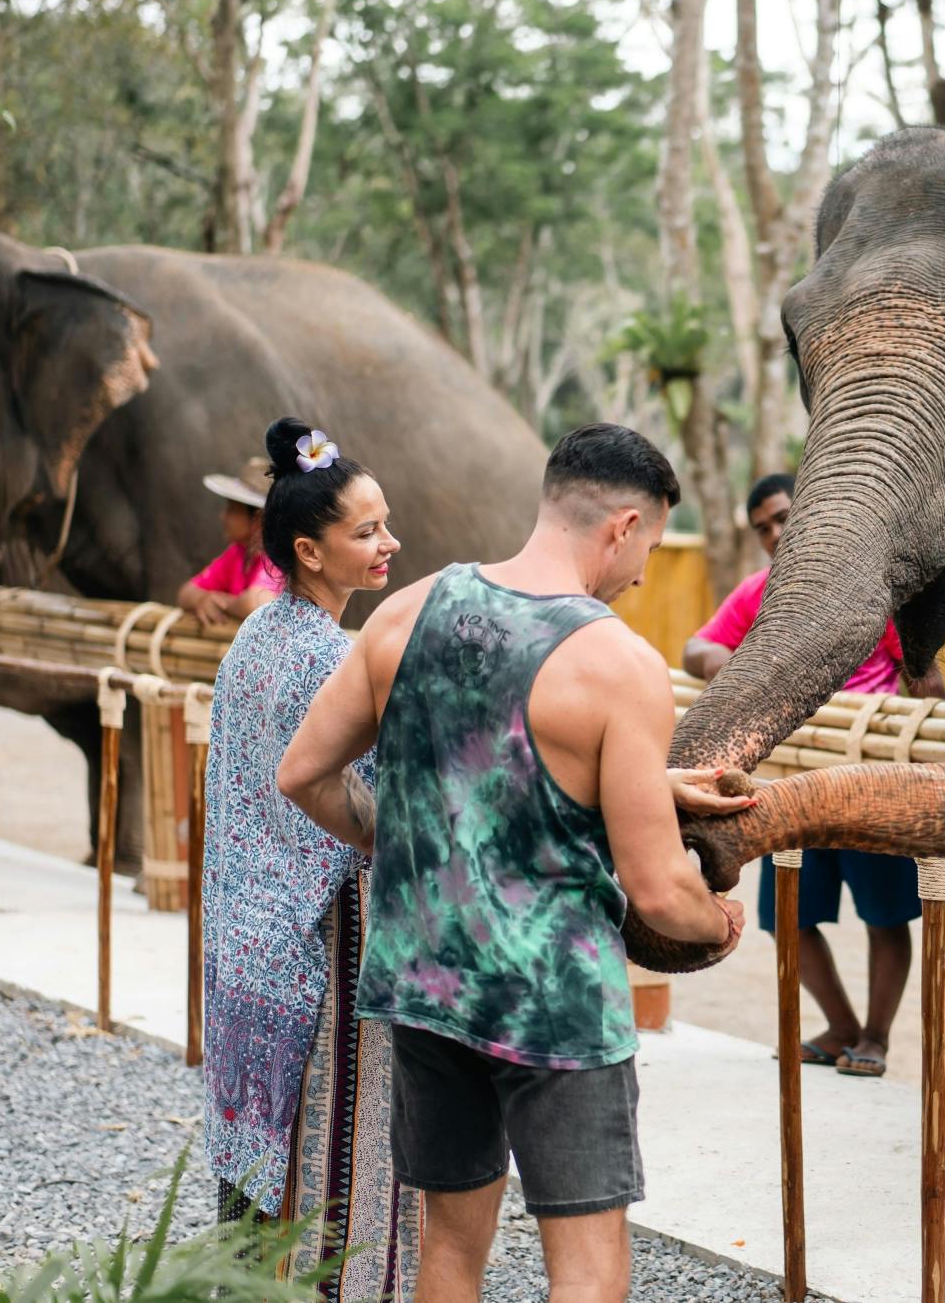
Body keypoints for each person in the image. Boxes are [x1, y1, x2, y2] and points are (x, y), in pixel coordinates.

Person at [279, 423, 748, 1303]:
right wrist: (716, 924)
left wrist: (413, 840)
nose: (643, 570)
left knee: (451, 1250)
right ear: (622, 526)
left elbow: (303, 773)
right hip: (555, 1008)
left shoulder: (409, 609)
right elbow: (656, 889)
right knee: (588, 1261)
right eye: (645, 544)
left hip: (424, 983)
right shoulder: (619, 664)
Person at [200, 420, 418, 1296]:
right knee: (317, 1169)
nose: (387, 543)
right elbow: (378, 804)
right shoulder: (338, 658)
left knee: (256, 1187)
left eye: (385, 522)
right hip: (313, 947)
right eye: (365, 531)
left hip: (244, 950)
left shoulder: (255, 638)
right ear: (308, 549)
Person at [683, 472, 945, 1079]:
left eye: (782, 517)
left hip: (871, 784)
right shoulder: (760, 594)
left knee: (884, 914)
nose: (775, 533)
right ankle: (843, 1029)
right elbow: (698, 648)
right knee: (789, 918)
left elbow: (928, 683)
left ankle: (875, 1038)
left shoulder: (874, 590)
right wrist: (729, 661)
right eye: (762, 528)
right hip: (790, 787)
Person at [178, 455, 283, 624]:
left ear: (258, 519)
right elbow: (186, 593)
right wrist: (202, 599)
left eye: (232, 510)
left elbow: (259, 604)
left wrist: (222, 602)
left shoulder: (278, 556)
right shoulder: (237, 553)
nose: (223, 517)